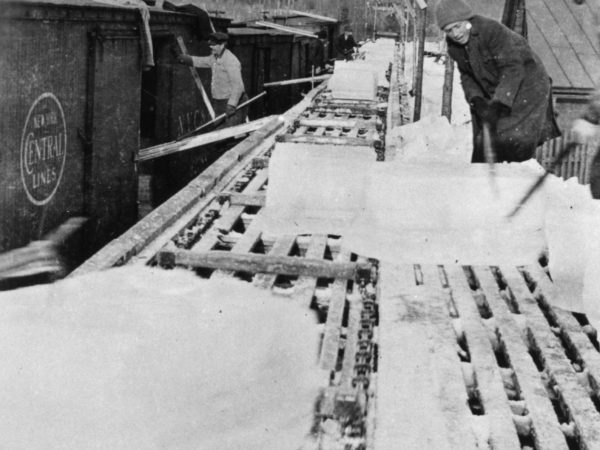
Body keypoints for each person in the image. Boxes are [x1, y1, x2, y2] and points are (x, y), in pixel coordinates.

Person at [435, 0, 560, 163]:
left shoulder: (491, 31)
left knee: (512, 136)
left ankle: (514, 177)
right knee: (485, 136)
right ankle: (482, 174)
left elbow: (512, 68)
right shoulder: (454, 47)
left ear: (468, 20)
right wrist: (476, 99)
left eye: (457, 26)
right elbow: (467, 76)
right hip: (500, 86)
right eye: (449, 30)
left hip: (529, 87)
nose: (455, 34)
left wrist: (499, 104)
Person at [178, 31, 247, 126]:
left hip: (234, 102)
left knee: (231, 132)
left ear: (222, 45)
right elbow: (203, 61)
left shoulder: (231, 61)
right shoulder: (215, 57)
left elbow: (238, 86)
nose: (210, 47)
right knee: (219, 131)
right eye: (210, 44)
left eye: (213, 45)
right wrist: (186, 59)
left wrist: (232, 105)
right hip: (220, 101)